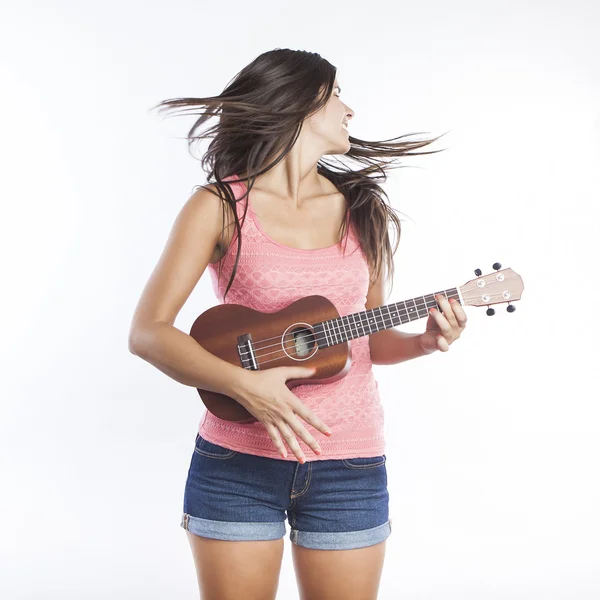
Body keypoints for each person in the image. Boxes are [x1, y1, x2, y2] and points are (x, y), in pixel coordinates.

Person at [128, 48, 467, 600]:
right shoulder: (219, 207)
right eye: (336, 95)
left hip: (349, 464)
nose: (349, 109)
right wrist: (247, 388)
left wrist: (424, 341)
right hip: (235, 462)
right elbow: (147, 331)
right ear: (301, 105)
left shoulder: (364, 209)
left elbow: (366, 337)